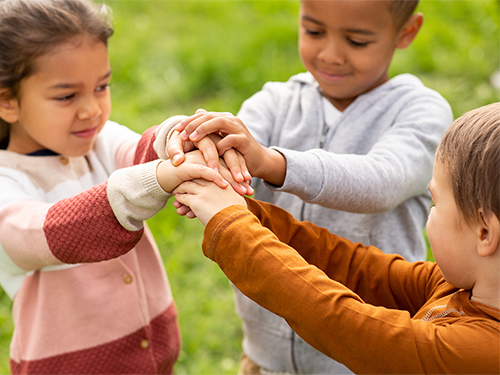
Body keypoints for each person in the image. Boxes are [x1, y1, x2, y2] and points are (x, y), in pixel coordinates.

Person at [167, 0, 453, 373]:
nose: (330, 54)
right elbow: (226, 149)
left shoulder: (422, 112)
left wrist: (272, 163)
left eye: (357, 40)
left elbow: (381, 181)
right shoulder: (274, 102)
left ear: (407, 32)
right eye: (314, 31)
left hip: (363, 357)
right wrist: (191, 141)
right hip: (264, 355)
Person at [0, 0, 248, 373]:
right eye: (67, 96)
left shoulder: (97, 138)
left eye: (101, 86)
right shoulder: (7, 183)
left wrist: (181, 138)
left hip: (153, 348)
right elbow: (53, 232)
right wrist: (159, 178)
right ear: (7, 101)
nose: (92, 111)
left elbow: (144, 149)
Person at [172, 102, 500, 374]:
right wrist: (247, 211)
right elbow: (351, 265)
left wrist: (232, 226)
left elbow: (336, 320)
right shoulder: (461, 287)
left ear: (484, 232)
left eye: (435, 203)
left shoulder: (478, 354)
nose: (432, 211)